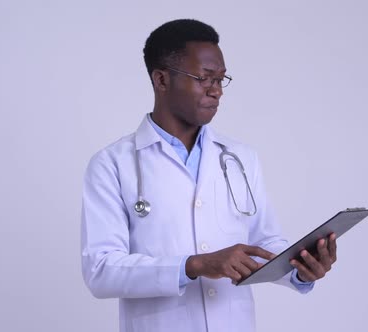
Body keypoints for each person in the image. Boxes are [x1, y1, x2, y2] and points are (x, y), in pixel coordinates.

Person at [81, 19, 337, 332]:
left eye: (220, 79)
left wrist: (299, 269)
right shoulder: (112, 164)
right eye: (204, 78)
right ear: (161, 80)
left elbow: (264, 243)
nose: (216, 91)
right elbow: (101, 270)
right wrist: (195, 264)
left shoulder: (241, 157)